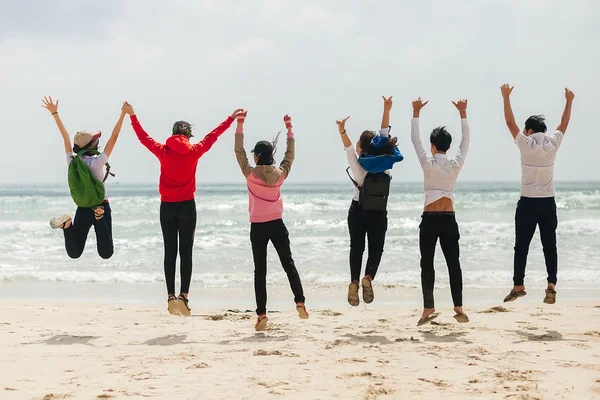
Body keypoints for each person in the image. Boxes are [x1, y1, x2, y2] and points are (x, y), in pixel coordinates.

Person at [122, 102, 242, 316]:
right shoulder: (194, 151)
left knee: (170, 251)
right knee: (186, 253)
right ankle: (184, 297)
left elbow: (143, 137)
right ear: (188, 135)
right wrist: (230, 119)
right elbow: (212, 136)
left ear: (173, 133)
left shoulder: (163, 150)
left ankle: (170, 296)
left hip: (166, 207)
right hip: (187, 206)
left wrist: (132, 115)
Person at [234, 110, 308, 331]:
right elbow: (290, 155)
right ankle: (300, 300)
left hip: (258, 227)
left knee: (261, 271)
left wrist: (240, 124)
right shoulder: (280, 174)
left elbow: (238, 151)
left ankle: (262, 313)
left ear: (256, 156)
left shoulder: (250, 173)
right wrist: (289, 129)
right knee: (288, 264)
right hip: (277, 224)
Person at [500, 84, 575, 305]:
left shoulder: (527, 144)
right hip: (548, 203)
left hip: (528, 204)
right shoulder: (553, 143)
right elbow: (564, 123)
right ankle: (551, 285)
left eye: (525, 130)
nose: (522, 133)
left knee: (521, 245)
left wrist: (506, 97)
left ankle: (518, 285)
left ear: (530, 131)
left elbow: (509, 123)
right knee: (549, 245)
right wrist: (569, 101)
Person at [335, 96, 404, 307]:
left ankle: (354, 281)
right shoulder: (384, 162)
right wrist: (386, 108)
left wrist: (342, 130)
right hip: (378, 211)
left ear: (362, 147)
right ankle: (368, 277)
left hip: (357, 210)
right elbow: (383, 133)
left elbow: (348, 148)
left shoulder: (357, 165)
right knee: (376, 248)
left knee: (356, 247)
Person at [411, 97, 470, 326]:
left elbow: (415, 140)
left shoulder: (428, 164)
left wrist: (415, 113)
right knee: (453, 263)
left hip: (429, 220)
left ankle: (428, 308)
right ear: (447, 146)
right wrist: (463, 114)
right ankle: (458, 307)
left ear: (433, 146)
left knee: (427, 263)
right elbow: (466, 142)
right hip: (448, 219)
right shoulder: (455, 165)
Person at [43, 96, 125, 260]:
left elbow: (65, 137)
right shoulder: (97, 162)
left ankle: (67, 225)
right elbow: (114, 137)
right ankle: (99, 217)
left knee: (74, 253)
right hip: (101, 205)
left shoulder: (72, 161)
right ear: (93, 145)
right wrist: (123, 114)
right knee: (106, 253)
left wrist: (55, 113)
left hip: (83, 207)